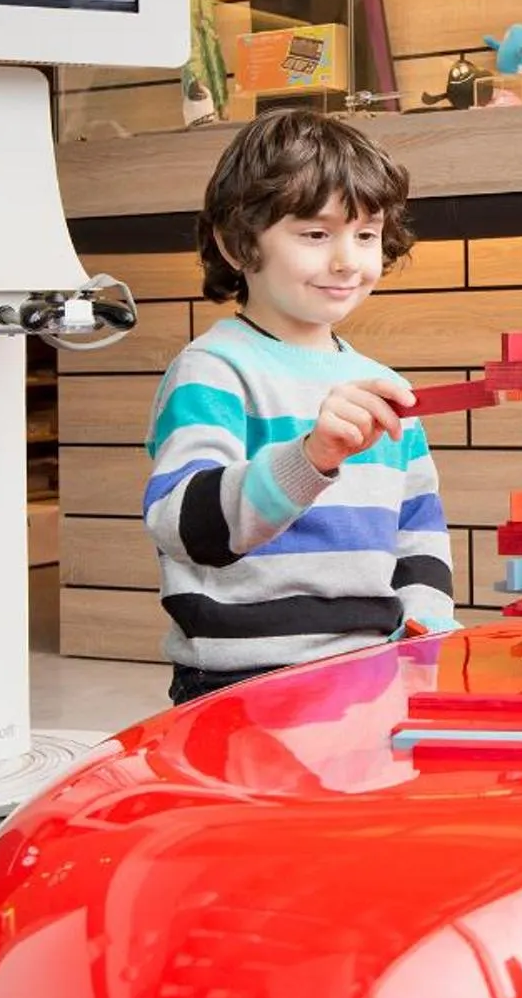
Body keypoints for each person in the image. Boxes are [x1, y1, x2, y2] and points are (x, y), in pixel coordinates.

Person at [144, 109, 456, 708]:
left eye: (365, 235)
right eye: (316, 235)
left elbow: (419, 530)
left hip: (371, 670)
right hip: (240, 681)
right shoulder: (212, 370)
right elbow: (184, 525)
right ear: (237, 245)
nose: (347, 261)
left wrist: (426, 624)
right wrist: (311, 458)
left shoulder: (383, 385)